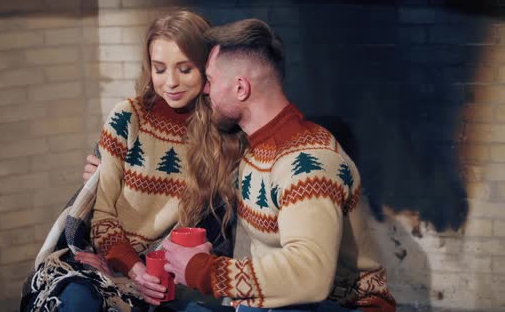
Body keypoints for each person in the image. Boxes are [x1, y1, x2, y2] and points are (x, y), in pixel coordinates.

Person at [161, 19, 397, 312]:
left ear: (240, 89)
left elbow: (310, 275)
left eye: (210, 80)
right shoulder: (255, 150)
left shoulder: (309, 161)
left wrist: (205, 270)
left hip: (346, 306)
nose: (205, 91)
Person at [20, 10, 242, 312]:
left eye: (185, 69)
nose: (171, 82)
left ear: (207, 69)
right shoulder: (128, 117)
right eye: (159, 69)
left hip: (173, 272)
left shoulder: (225, 136)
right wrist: (133, 268)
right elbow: (102, 214)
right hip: (108, 258)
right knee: (75, 301)